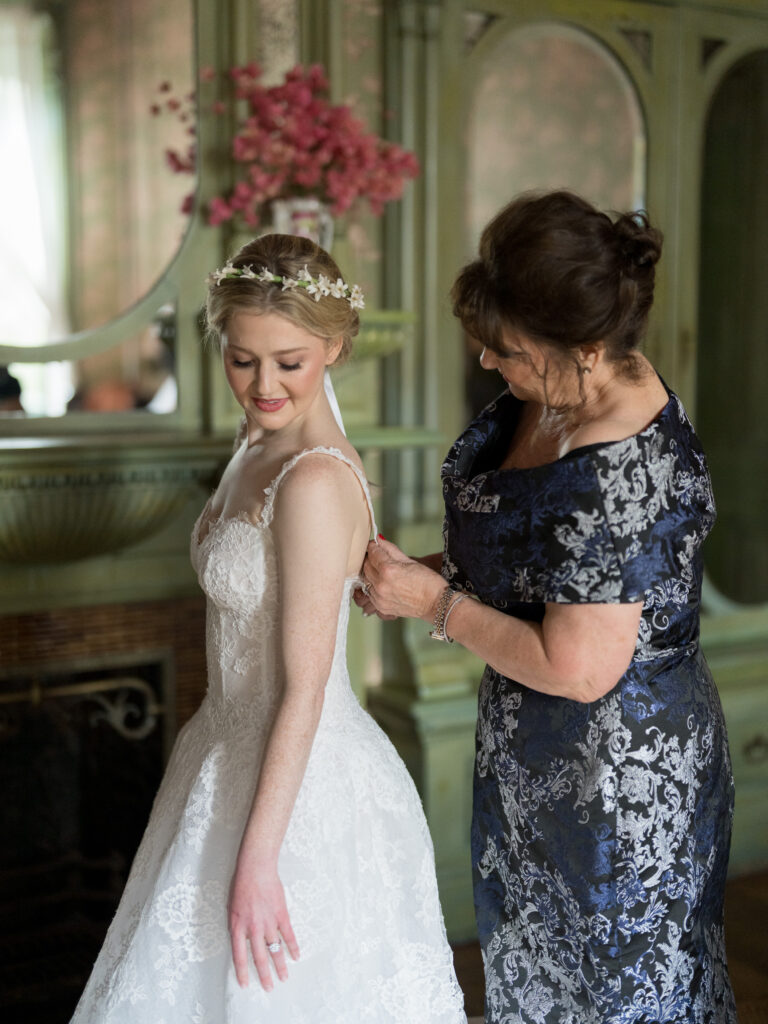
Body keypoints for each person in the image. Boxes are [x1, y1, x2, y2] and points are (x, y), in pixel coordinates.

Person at [357, 191, 737, 1022]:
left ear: (588, 350)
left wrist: (433, 601)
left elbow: (580, 665)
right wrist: (414, 573)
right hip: (539, 760)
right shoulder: (567, 383)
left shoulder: (618, 474)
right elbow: (543, 566)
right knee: (538, 984)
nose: (492, 366)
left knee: (613, 997)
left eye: (509, 352)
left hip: (615, 783)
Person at [70, 233, 466, 1023]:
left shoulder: (313, 478)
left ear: (336, 345)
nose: (264, 384)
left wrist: (258, 861)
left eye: (289, 360)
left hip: (299, 781)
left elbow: (304, 690)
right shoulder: (257, 442)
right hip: (223, 751)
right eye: (242, 359)